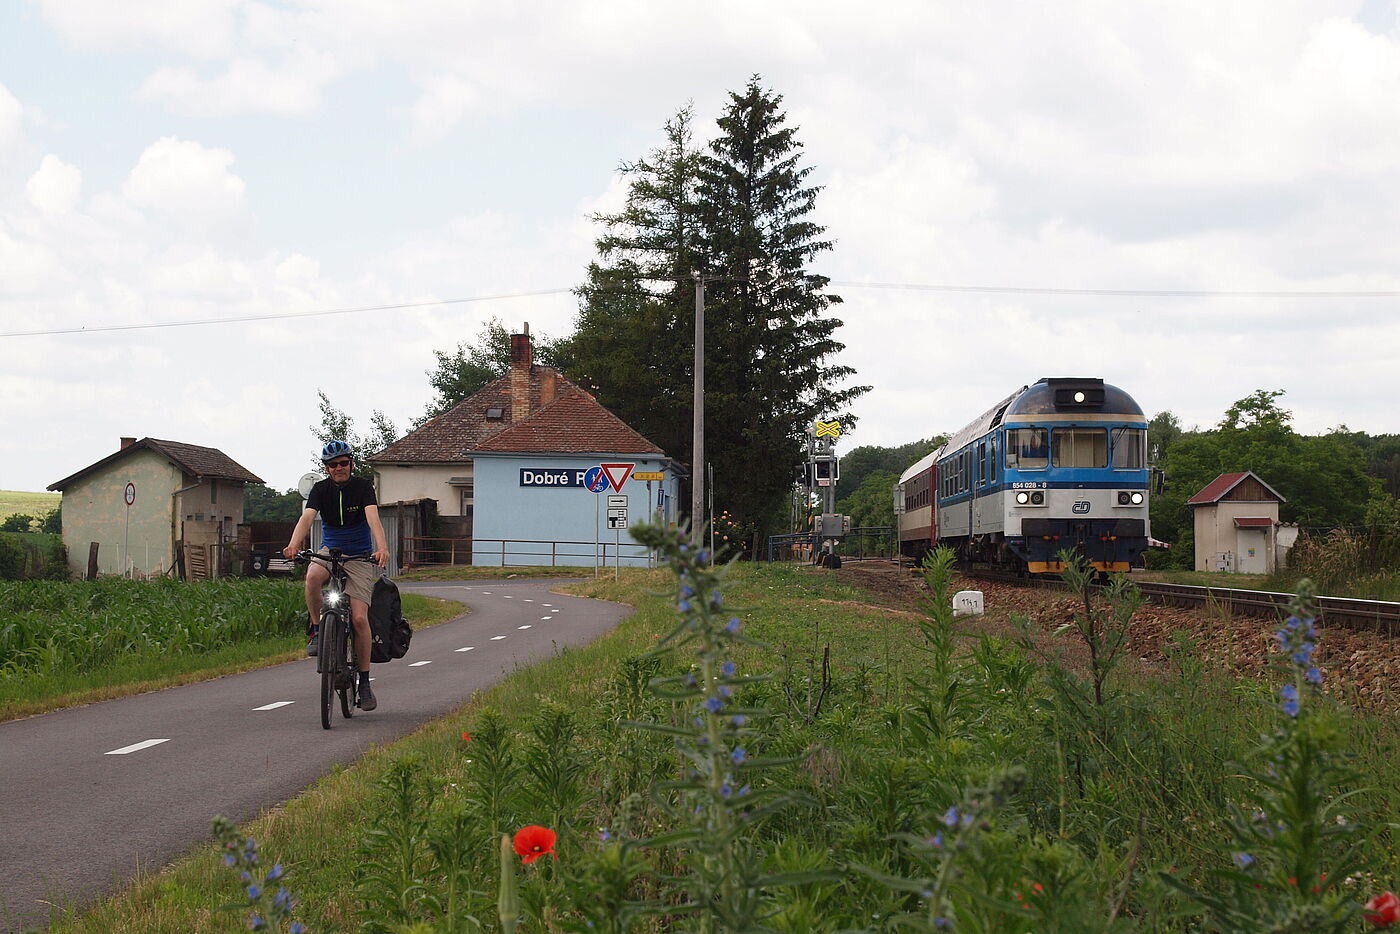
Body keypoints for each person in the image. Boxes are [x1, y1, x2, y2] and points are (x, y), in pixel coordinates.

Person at [283, 440, 391, 711]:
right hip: (330, 551)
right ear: (327, 468)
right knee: (311, 577)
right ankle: (318, 629)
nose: (339, 468)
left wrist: (382, 548)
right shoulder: (320, 490)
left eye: (344, 463)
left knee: (358, 618)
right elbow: (307, 518)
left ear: (351, 464)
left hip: (359, 555)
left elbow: (372, 519)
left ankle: (364, 683)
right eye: (333, 465)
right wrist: (294, 543)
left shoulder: (363, 487)